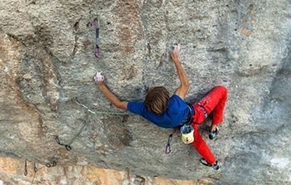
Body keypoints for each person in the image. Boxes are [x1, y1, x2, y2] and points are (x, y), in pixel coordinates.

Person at [93, 46, 228, 170]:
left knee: (198, 143)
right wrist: (176, 59)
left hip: (183, 127)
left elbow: (118, 103)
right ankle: (213, 127)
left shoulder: (144, 110)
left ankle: (213, 162)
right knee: (222, 91)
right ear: (167, 98)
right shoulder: (175, 103)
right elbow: (185, 84)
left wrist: (100, 85)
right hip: (197, 114)